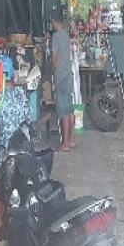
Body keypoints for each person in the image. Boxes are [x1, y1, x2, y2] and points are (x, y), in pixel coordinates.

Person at [50, 12, 76, 151]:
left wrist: (52, 69)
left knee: (63, 110)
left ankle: (65, 143)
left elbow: (54, 56)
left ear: (55, 22)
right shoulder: (66, 34)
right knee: (70, 108)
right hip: (68, 74)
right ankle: (72, 139)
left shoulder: (56, 37)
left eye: (52, 22)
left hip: (60, 75)